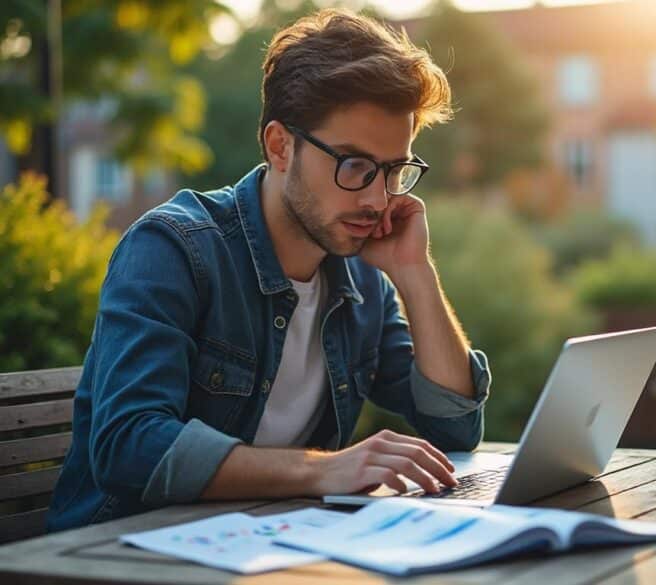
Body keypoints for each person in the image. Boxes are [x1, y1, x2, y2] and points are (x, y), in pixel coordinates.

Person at [47, 8, 490, 532]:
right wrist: (323, 470)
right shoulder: (173, 249)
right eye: (354, 165)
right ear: (281, 146)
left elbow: (455, 426)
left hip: (270, 545)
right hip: (119, 553)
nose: (377, 198)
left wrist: (415, 272)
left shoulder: (361, 274)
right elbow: (130, 444)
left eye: (395, 170)